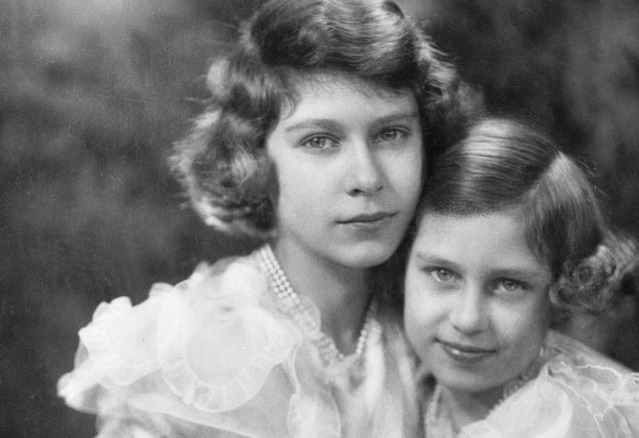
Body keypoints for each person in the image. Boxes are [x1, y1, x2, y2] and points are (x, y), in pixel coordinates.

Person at [57, 0, 473, 436]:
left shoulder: (448, 327)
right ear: (255, 158)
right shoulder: (192, 351)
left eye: (391, 134)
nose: (367, 178)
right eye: (320, 141)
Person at [403, 118, 639, 437]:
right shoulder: (391, 384)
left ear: (563, 289)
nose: (468, 319)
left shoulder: (589, 423)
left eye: (508, 284)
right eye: (443, 273)